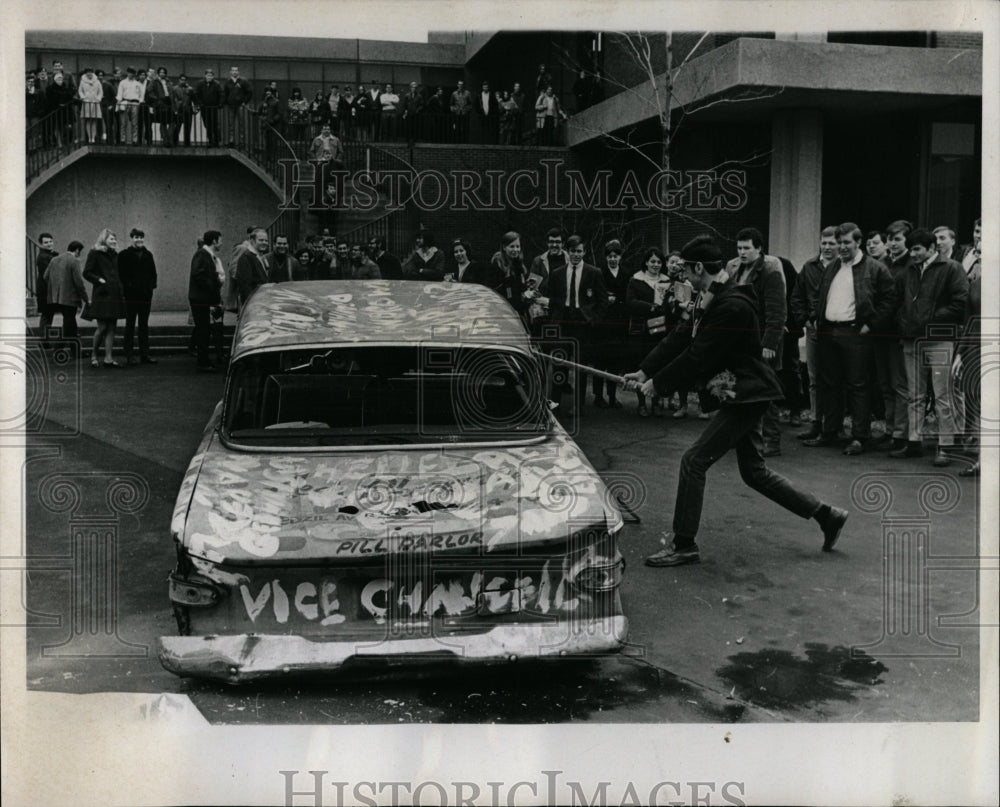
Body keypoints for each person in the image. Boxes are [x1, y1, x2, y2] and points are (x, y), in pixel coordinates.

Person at [623, 235, 849, 567]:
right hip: (738, 391)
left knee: (693, 461)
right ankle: (827, 515)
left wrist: (660, 384)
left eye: (685, 269)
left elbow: (698, 355)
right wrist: (645, 372)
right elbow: (681, 337)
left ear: (699, 267)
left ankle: (684, 544)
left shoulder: (732, 304)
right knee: (754, 472)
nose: (681, 275)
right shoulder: (709, 296)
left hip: (748, 394)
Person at [803, 223, 896, 455]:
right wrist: (815, 317)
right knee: (829, 384)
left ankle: (859, 436)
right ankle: (831, 431)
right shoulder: (833, 266)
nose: (842, 247)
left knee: (858, 385)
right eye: (840, 242)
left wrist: (871, 325)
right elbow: (819, 296)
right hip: (828, 331)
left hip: (856, 334)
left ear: (858, 242)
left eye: (846, 243)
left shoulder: (875, 269)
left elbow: (889, 300)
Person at [890, 228, 969, 466]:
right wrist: (904, 321)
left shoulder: (952, 268)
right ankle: (914, 441)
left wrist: (929, 319)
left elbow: (960, 303)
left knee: (943, 394)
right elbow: (895, 300)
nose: (912, 254)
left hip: (940, 338)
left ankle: (946, 446)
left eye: (917, 249)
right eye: (911, 249)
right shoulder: (909, 271)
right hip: (911, 338)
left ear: (932, 248)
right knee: (915, 394)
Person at [725, 228, 787, 457]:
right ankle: (742, 436)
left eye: (747, 248)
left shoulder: (770, 270)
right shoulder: (732, 267)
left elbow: (776, 310)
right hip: (738, 339)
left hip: (760, 340)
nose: (742, 252)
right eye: (739, 248)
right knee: (740, 388)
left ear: (759, 248)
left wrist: (770, 343)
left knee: (765, 390)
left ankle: (771, 440)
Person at [540, 235, 609, 415]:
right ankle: (554, 403)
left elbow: (603, 300)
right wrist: (555, 318)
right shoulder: (557, 273)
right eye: (572, 251)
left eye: (579, 251)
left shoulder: (594, 272)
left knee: (581, 365)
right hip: (563, 322)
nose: (576, 255)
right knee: (558, 363)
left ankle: (578, 405)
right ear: (567, 251)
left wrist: (594, 320)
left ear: (584, 252)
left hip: (583, 323)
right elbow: (553, 299)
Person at [626, 246, 672, 417]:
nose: (656, 265)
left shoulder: (667, 281)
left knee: (658, 363)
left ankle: (655, 401)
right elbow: (630, 302)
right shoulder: (635, 280)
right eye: (653, 261)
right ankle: (642, 403)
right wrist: (651, 308)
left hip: (659, 327)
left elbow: (670, 305)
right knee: (641, 363)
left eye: (659, 262)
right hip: (641, 328)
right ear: (646, 262)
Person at [592, 239, 633, 409]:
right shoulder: (599, 273)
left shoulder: (625, 273)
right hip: (604, 322)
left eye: (616, 256)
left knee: (615, 360)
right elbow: (594, 296)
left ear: (620, 257)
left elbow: (629, 297)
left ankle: (612, 395)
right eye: (610, 256)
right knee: (600, 360)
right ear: (606, 257)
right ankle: (598, 395)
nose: (613, 259)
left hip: (620, 322)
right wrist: (605, 300)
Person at [82, 228, 126, 368]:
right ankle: (94, 354)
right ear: (104, 240)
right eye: (111, 239)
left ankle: (108, 358)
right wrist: (99, 280)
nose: (114, 241)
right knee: (102, 327)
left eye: (115, 239)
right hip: (102, 294)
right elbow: (87, 272)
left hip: (115, 295)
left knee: (112, 327)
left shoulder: (116, 255)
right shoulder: (95, 253)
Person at [117, 228, 159, 365]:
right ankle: (129, 355)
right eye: (136, 237)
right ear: (131, 238)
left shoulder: (148, 255)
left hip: (146, 295)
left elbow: (153, 273)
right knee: (130, 325)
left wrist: (151, 286)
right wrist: (129, 287)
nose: (139, 240)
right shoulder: (124, 255)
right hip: (131, 296)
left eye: (141, 237)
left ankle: (144, 355)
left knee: (143, 325)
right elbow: (121, 275)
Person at [189, 230, 224, 373]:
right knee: (203, 330)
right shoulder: (203, 255)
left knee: (204, 330)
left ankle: (204, 360)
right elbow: (198, 274)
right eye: (220, 240)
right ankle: (202, 362)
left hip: (201, 298)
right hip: (201, 299)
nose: (221, 243)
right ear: (214, 241)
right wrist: (214, 284)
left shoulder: (206, 255)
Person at [42, 240, 89, 344]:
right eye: (79, 251)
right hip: (70, 298)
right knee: (68, 323)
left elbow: (45, 276)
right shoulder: (74, 261)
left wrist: (56, 289)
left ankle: (75, 350)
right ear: (77, 250)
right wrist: (85, 298)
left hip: (56, 298)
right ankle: (59, 348)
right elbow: (79, 283)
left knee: (71, 322)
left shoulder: (54, 259)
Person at [235, 228, 270, 309]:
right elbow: (245, 287)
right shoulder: (246, 258)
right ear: (252, 240)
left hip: (260, 302)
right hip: (253, 305)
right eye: (261, 240)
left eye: (266, 240)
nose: (264, 243)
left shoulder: (258, 256)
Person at [34, 233, 58, 341]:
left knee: (48, 315)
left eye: (50, 241)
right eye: (46, 242)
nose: (49, 244)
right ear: (41, 244)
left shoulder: (49, 255)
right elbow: (48, 276)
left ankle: (45, 340)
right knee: (46, 315)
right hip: (45, 290)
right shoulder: (44, 257)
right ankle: (44, 341)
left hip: (47, 289)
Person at [222, 65, 253, 147]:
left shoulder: (243, 81)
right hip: (231, 106)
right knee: (230, 124)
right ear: (230, 72)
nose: (234, 72)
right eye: (233, 70)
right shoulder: (227, 82)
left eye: (236, 70)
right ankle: (231, 141)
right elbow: (225, 93)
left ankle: (242, 142)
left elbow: (249, 92)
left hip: (240, 106)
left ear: (238, 72)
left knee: (241, 125)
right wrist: (225, 103)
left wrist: (244, 102)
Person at [193, 68, 222, 146]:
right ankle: (210, 140)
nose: (209, 77)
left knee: (214, 124)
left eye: (211, 75)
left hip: (214, 107)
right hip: (204, 107)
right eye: (208, 75)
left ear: (213, 76)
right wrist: (200, 103)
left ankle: (216, 141)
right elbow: (196, 94)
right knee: (207, 124)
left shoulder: (216, 84)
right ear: (205, 75)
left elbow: (221, 94)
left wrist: (219, 104)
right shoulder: (200, 84)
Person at [116, 67, 144, 146]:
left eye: (132, 73)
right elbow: (120, 93)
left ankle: (135, 140)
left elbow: (141, 95)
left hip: (134, 102)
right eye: (129, 72)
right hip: (125, 102)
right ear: (127, 73)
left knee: (134, 123)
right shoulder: (123, 82)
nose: (131, 74)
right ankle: (122, 139)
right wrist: (119, 103)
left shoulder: (137, 84)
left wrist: (140, 102)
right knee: (123, 123)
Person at [145, 67, 173, 146]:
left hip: (169, 102)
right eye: (161, 72)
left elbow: (171, 92)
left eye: (164, 72)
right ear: (158, 73)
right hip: (161, 103)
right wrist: (157, 99)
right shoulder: (155, 81)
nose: (162, 74)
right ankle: (166, 141)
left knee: (172, 122)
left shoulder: (168, 81)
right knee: (163, 122)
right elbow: (149, 90)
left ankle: (167, 138)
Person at [76, 67, 103, 145]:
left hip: (95, 102)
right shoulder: (82, 81)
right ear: (85, 73)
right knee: (88, 120)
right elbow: (80, 90)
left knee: (94, 120)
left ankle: (93, 138)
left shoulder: (97, 81)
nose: (89, 74)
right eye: (88, 72)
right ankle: (89, 137)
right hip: (86, 102)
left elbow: (100, 91)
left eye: (90, 72)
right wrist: (83, 97)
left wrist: (98, 99)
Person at [170, 74, 195, 146]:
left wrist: (195, 109)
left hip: (187, 109)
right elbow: (172, 100)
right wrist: (174, 109)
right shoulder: (175, 88)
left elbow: (194, 99)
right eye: (181, 80)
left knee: (187, 127)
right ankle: (175, 142)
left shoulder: (190, 89)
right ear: (179, 80)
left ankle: (187, 142)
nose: (183, 81)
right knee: (177, 127)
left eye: (184, 80)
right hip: (179, 109)